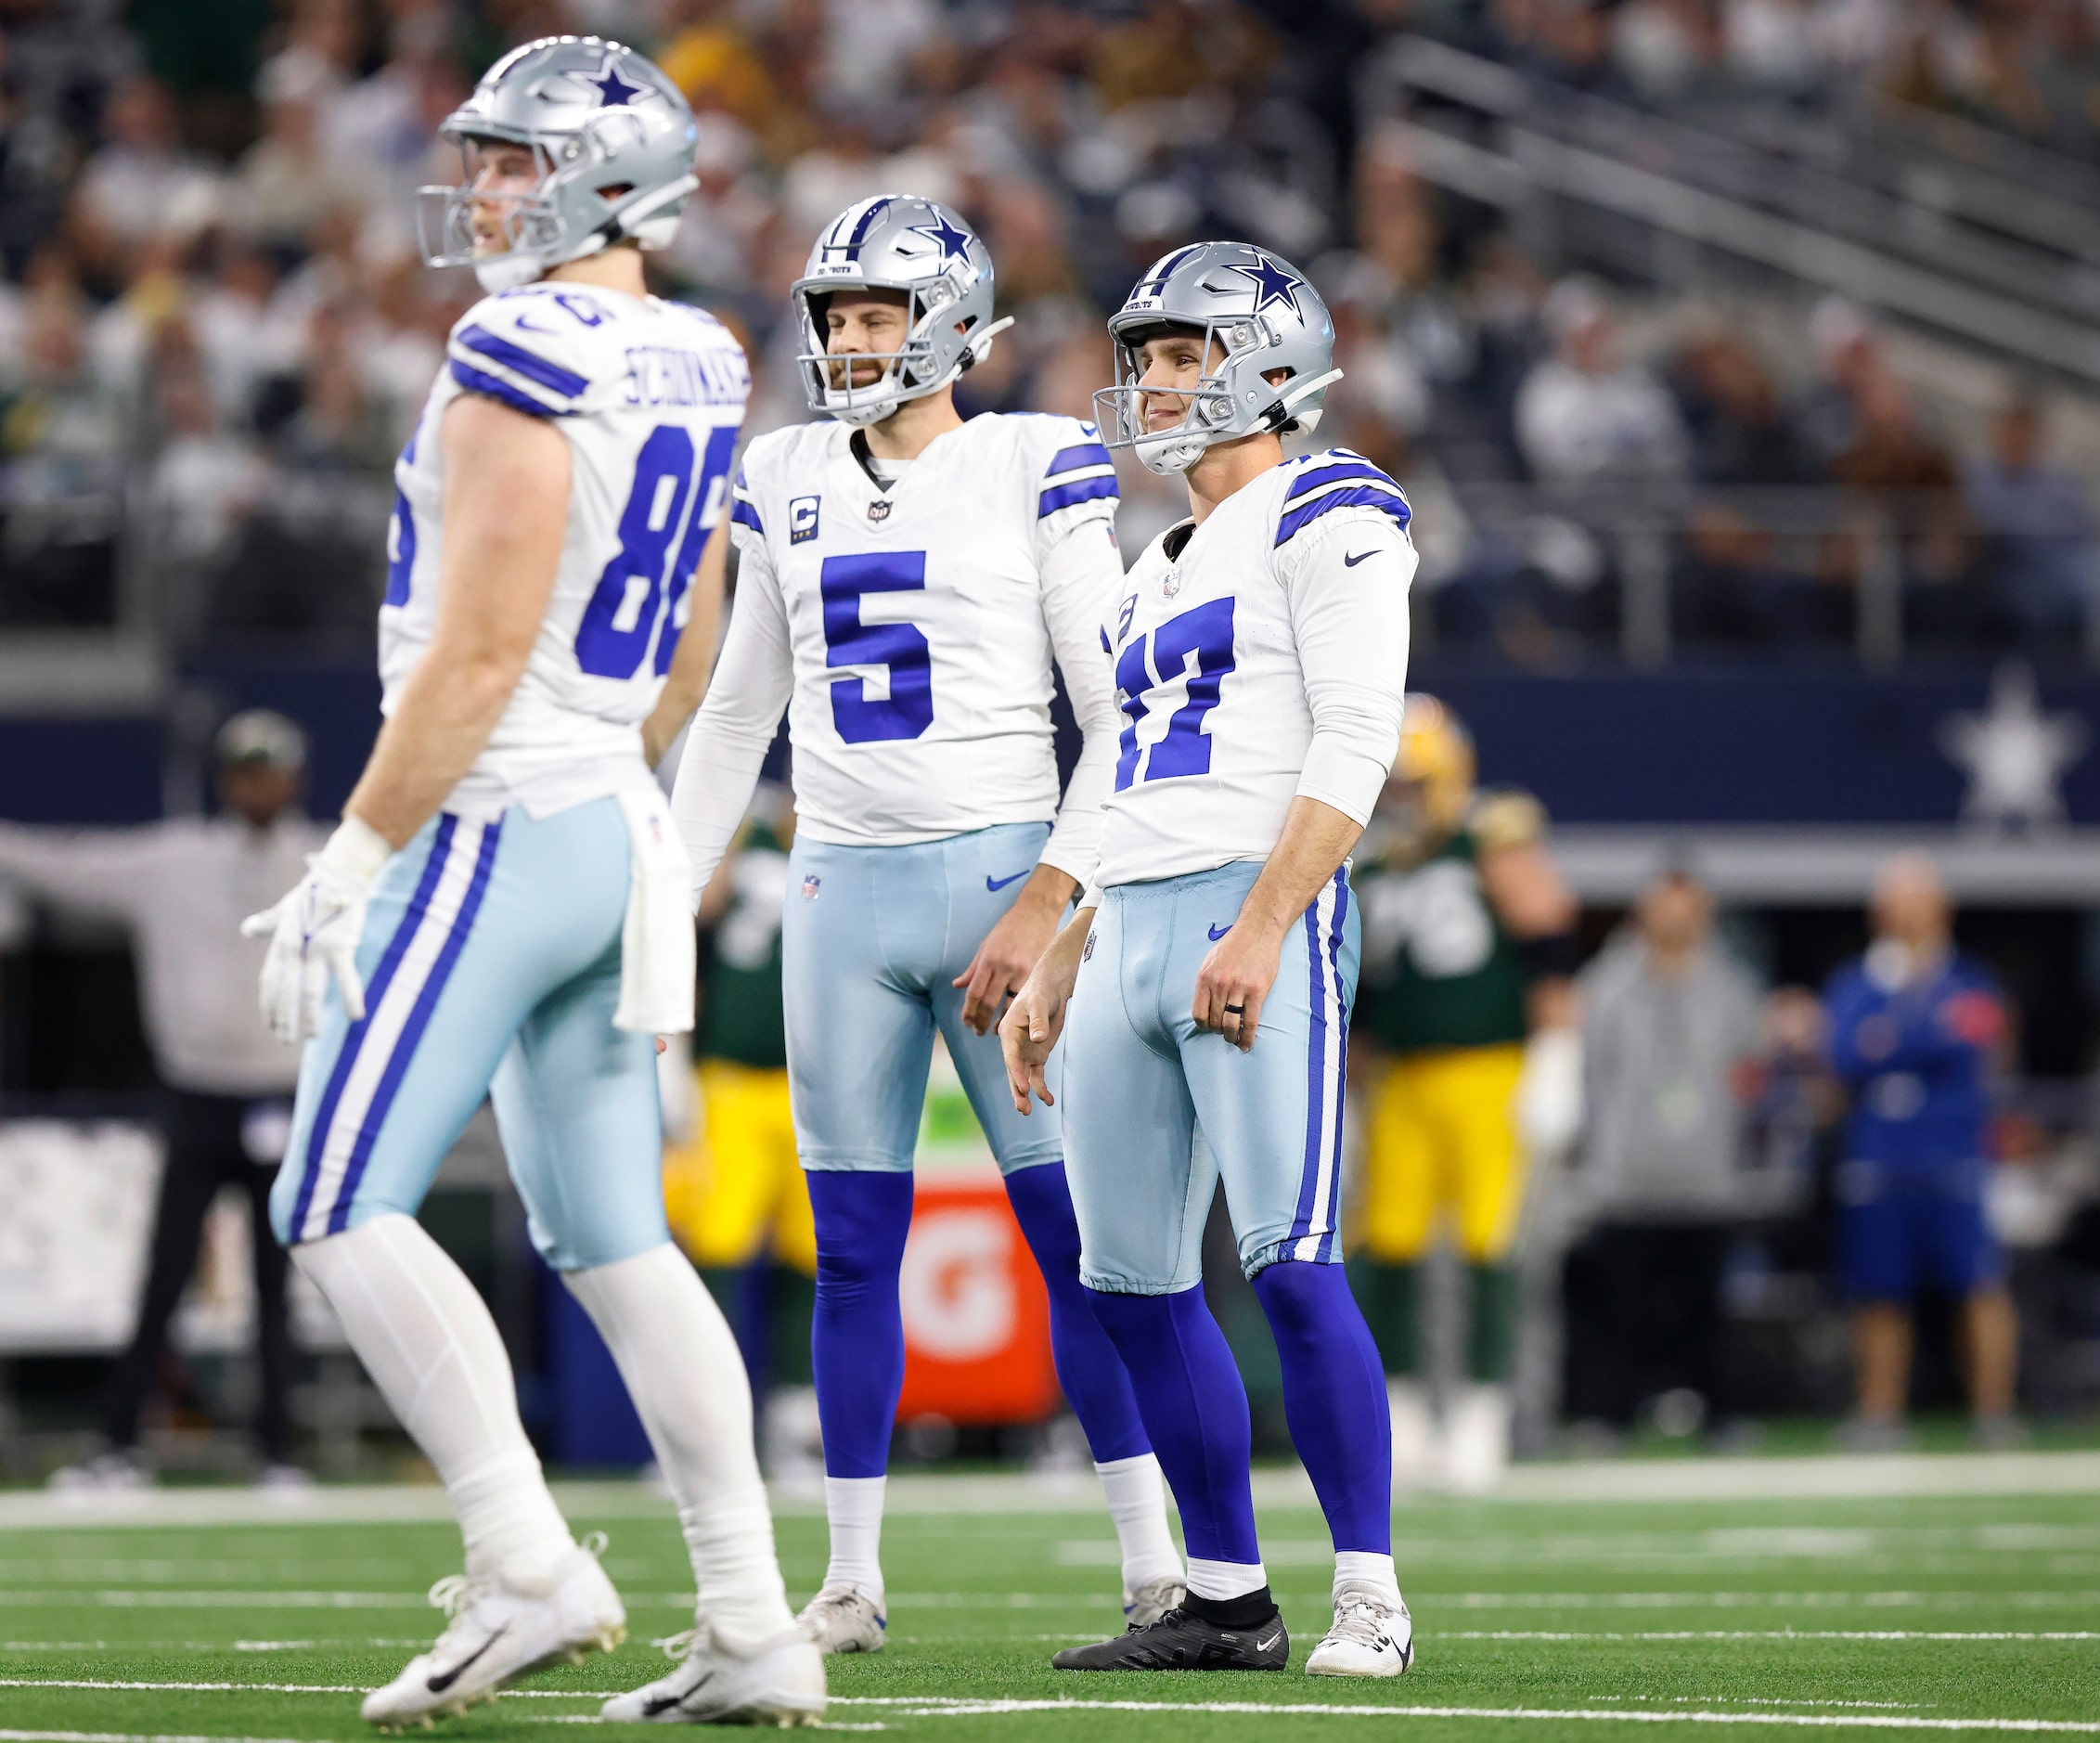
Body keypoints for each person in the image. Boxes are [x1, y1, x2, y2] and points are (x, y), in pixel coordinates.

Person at [240, 38, 821, 1728]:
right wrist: (624, 798)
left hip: (498, 816)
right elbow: (695, 639)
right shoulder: (698, 349)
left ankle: (523, 1558)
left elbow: (484, 639)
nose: (482, 189)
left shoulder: (518, 340)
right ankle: (750, 1619)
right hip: (607, 816)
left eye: (511, 162)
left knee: (333, 1197)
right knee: (616, 1240)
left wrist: (354, 848)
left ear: (596, 181)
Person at [666, 194, 1182, 1657]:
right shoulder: (779, 471)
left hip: (997, 874)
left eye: (875, 314)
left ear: (948, 322)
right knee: (846, 1249)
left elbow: (1113, 710)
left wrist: (1054, 892)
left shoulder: (1031, 457)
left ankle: (1152, 1557)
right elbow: (734, 712)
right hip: (838, 884)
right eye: (834, 316)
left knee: (1073, 1238)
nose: (846, 340)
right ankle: (848, 1576)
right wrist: (666, 892)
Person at [1002, 240, 1416, 1678]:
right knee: (1124, 1283)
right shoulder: (1143, 565)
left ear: (1269, 363)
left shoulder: (1331, 502)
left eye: (1182, 355)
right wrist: (1065, 939)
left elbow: (1357, 738)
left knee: (1290, 1262)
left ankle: (1369, 1591)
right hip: (1131, 921)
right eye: (1147, 358)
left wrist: (1262, 920)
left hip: (1259, 905)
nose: (1154, 383)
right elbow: (1120, 779)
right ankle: (1227, 1598)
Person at [0, 711, 323, 1491]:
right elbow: (59, 862)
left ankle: (278, 1453)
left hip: (288, 1095)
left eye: (270, 770)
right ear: (224, 780)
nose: (258, 785)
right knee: (164, 1273)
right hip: (199, 1098)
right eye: (245, 771)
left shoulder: (331, 857)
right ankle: (118, 1447)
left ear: (294, 778)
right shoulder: (172, 859)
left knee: (278, 1287)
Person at [1346, 696, 1582, 1491]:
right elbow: (1368, 996)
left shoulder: (1487, 838)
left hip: (1488, 1069)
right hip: (1397, 1081)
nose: (1401, 799)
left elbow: (1548, 936)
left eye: (1415, 783)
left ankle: (1483, 1417)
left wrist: (1557, 1048)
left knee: (1489, 1245)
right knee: (1386, 1247)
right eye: (1394, 784)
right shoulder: (1370, 860)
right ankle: (1405, 1416)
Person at [1823, 852, 2019, 1450]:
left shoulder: (1970, 979)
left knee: (1979, 1285)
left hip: (1953, 1157)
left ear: (1941, 906)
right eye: (1896, 898)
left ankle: (1994, 1413)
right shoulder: (1857, 983)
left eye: (1919, 896)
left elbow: (1979, 1043)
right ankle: (1879, 1411)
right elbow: (1843, 1056)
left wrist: (1891, 1042)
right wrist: (1926, 1036)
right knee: (1880, 1293)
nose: (1907, 910)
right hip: (1880, 1160)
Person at [1563, 867, 1766, 1439]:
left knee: (1706, 1313)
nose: (1675, 920)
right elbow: (1586, 1071)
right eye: (1665, 908)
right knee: (1618, 1312)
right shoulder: (1606, 983)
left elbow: (1751, 1068)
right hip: (1625, 1180)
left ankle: (1717, 1414)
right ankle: (1607, 1414)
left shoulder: (1732, 984)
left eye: (1687, 909)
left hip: (1707, 1178)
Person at [660, 781, 820, 1482]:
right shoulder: (735, 851)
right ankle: (704, 1433)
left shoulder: (829, 852)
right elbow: (694, 910)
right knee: (716, 1253)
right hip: (727, 1081)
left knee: (811, 1257)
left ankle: (796, 1429)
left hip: (810, 1084)